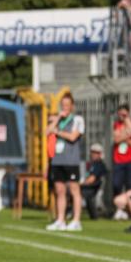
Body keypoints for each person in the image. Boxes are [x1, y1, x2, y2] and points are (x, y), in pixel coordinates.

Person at [46, 93, 85, 231]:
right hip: (58, 160)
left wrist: (57, 132)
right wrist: (57, 119)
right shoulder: (59, 120)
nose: (65, 108)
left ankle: (76, 220)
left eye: (67, 105)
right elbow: (47, 132)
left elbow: (73, 137)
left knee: (74, 190)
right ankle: (60, 219)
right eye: (63, 105)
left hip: (71, 160)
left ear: (72, 106)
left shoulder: (77, 119)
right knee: (60, 190)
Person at [111, 105, 131, 220]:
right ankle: (119, 208)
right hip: (119, 160)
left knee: (130, 186)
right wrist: (127, 135)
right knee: (117, 184)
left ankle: (130, 210)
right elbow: (116, 139)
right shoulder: (116, 125)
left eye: (124, 114)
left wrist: (123, 135)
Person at [80, 144, 107, 220]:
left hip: (94, 187)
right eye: (92, 152)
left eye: (96, 153)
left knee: (79, 192)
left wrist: (80, 184)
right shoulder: (92, 164)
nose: (93, 154)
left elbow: (91, 179)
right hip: (89, 186)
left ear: (100, 154)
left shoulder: (99, 165)